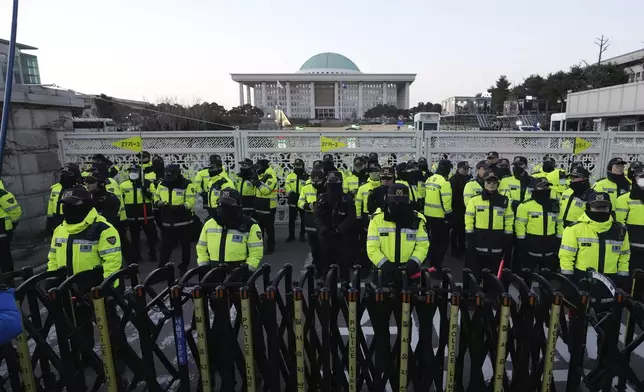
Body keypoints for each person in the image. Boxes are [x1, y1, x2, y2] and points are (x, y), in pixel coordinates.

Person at [47, 187, 122, 282]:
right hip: (65, 289)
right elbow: (53, 259)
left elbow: (113, 263)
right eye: (65, 204)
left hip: (93, 290)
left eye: (72, 204)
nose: (67, 207)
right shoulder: (59, 230)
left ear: (86, 205)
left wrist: (106, 289)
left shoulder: (103, 229)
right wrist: (51, 281)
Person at [559, 192, 630, 288]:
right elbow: (566, 256)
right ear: (588, 207)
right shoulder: (574, 229)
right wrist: (568, 279)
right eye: (596, 207)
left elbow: (624, 256)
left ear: (610, 208)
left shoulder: (621, 230)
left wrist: (623, 278)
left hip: (611, 280)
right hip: (583, 279)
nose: (600, 210)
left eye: (604, 207)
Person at [367, 184, 429, 286]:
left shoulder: (417, 219)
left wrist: (413, 263)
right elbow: (372, 248)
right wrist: (385, 265)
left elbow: (422, 245)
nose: (398, 206)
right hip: (383, 271)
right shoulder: (377, 219)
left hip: (410, 271)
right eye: (394, 203)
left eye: (401, 203)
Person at [196, 189, 263, 274]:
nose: (223, 207)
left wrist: (248, 270)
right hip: (213, 271)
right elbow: (201, 248)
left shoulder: (250, 225)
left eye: (228, 204)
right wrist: (203, 265)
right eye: (221, 203)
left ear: (238, 205)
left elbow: (256, 251)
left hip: (238, 271)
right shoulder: (209, 223)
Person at [465, 171, 513, 276]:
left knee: (494, 272)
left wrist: (508, 236)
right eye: (488, 182)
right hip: (479, 238)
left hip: (497, 239)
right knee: (477, 270)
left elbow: (509, 219)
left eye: (494, 183)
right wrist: (469, 236)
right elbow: (469, 218)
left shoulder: (504, 201)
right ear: (484, 183)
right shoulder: (474, 200)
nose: (491, 185)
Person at [155, 164, 197, 275]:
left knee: (185, 247)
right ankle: (161, 269)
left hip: (183, 222)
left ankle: (184, 267)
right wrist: (158, 203)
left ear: (178, 174)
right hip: (167, 222)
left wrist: (178, 208)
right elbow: (156, 196)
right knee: (165, 248)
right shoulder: (161, 184)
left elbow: (190, 203)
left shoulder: (187, 184)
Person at [315, 171, 356, 282]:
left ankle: (345, 286)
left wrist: (340, 229)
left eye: (335, 184)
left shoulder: (347, 199)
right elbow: (317, 217)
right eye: (330, 183)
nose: (332, 187)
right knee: (326, 265)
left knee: (344, 264)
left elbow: (351, 217)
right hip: (326, 237)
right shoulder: (322, 198)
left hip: (342, 237)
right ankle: (327, 287)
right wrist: (324, 230)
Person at [515, 179, 563, 272]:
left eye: (547, 186)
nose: (545, 189)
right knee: (528, 271)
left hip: (550, 242)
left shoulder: (554, 204)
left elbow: (559, 223)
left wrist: (559, 239)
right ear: (535, 188)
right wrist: (521, 240)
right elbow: (520, 224)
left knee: (547, 273)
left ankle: (543, 286)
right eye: (542, 186)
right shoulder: (525, 205)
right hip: (532, 242)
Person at [120, 164, 158, 263]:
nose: (133, 173)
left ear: (140, 173)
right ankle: (136, 256)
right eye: (131, 171)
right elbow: (121, 200)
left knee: (150, 236)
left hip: (146, 213)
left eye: (135, 171)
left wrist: (147, 192)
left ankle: (152, 254)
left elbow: (155, 197)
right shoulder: (123, 185)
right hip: (131, 214)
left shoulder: (147, 183)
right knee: (134, 237)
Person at [424, 159, 453, 269]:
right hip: (440, 216)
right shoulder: (444, 182)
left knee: (432, 240)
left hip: (428, 214)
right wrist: (449, 215)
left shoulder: (430, 179)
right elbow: (446, 201)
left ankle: (431, 262)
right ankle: (436, 265)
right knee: (442, 243)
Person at [299, 169, 326, 277]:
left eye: (318, 181)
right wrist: (308, 205)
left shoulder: (327, 189)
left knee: (324, 247)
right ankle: (317, 268)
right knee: (314, 247)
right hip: (310, 220)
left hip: (323, 221)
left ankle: (325, 268)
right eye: (313, 180)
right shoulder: (306, 188)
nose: (315, 183)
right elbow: (300, 202)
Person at [616, 167, 644, 271]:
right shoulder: (624, 199)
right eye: (641, 176)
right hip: (631, 249)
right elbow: (619, 225)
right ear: (635, 178)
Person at [47, 163, 83, 235]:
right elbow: (51, 204)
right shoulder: (55, 188)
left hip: (71, 219)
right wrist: (49, 220)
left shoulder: (79, 189)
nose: (62, 176)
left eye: (66, 175)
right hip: (56, 218)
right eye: (62, 174)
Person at [253, 159, 278, 254]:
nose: (257, 169)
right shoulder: (261, 176)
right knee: (259, 228)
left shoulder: (271, 177)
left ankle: (271, 246)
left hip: (268, 207)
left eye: (259, 167)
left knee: (269, 228)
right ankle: (259, 246)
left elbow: (265, 191)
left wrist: (257, 182)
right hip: (259, 205)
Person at [449, 161, 472, 258]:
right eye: (464, 168)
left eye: (467, 169)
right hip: (456, 208)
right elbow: (453, 195)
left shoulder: (468, 179)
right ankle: (454, 249)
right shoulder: (454, 180)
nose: (466, 170)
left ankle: (462, 248)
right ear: (458, 168)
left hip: (466, 208)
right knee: (455, 230)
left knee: (463, 230)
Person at [285, 159, 309, 242]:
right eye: (296, 165)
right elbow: (287, 185)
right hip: (292, 199)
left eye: (299, 165)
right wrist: (291, 193)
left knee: (303, 219)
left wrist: (303, 195)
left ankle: (302, 235)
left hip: (302, 199)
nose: (297, 167)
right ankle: (291, 235)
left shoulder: (306, 176)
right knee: (292, 219)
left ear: (302, 166)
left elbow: (308, 187)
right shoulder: (290, 175)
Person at [0, 185, 22, 272]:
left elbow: (15, 211)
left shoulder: (1, 193)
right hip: (2, 230)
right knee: (4, 255)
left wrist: (12, 225)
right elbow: (15, 212)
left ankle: (8, 279)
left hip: (2, 230)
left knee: (4, 255)